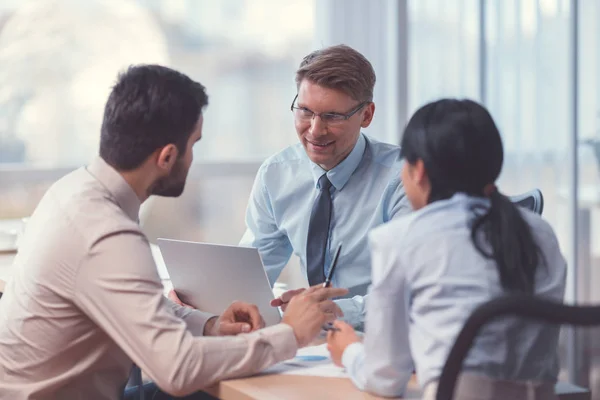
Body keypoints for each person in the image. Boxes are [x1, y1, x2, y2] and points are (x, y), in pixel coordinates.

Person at [0, 65, 347, 400]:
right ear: (167, 156)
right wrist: (290, 334)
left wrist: (210, 325)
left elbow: (139, 307)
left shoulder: (73, 192)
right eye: (193, 144)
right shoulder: (108, 236)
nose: (193, 158)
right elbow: (177, 369)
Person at [326, 98, 567, 399]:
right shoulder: (539, 231)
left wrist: (349, 350)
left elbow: (385, 378)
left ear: (419, 171)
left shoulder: (401, 237)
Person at [170, 45, 410, 327]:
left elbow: (408, 291)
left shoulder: (403, 179)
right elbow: (253, 273)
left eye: (332, 117)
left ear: (366, 115)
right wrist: (199, 303)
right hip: (311, 343)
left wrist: (331, 311)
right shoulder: (277, 175)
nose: (315, 130)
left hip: (385, 337)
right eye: (305, 111)